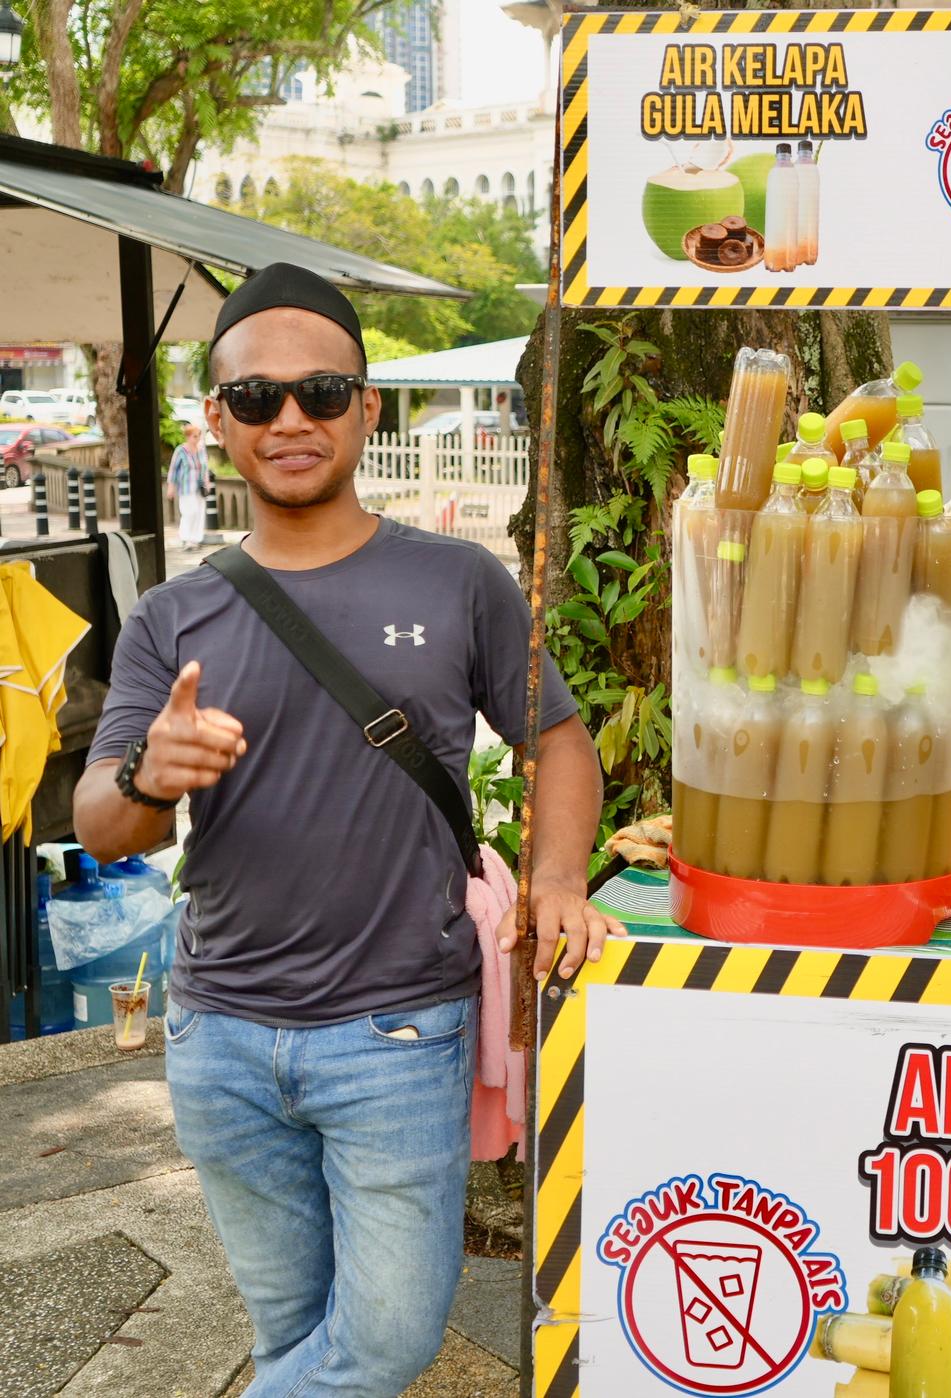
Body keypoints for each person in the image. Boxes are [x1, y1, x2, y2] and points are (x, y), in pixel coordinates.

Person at [73, 263, 624, 1396]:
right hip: (221, 1038)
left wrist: (560, 876)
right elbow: (103, 826)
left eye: (321, 392)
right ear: (215, 420)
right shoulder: (175, 614)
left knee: (379, 1345)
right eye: (255, 398)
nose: (289, 419)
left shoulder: (459, 580)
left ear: (366, 408)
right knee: (293, 1342)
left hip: (397, 1038)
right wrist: (146, 771)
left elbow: (558, 740)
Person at [167, 419, 209, 549]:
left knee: (199, 512)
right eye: (195, 436)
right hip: (186, 487)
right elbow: (173, 469)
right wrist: (171, 487)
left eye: (198, 436)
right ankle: (186, 538)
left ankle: (196, 539)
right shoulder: (180, 450)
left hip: (199, 487)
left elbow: (205, 467)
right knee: (189, 512)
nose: (197, 439)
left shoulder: (201, 449)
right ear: (188, 436)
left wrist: (207, 482)